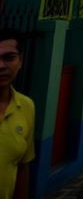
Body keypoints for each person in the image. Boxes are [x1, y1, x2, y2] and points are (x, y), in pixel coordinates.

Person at [0, 29, 35, 199]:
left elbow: (22, 166)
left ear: (20, 61)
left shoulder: (27, 106)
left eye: (9, 58)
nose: (1, 65)